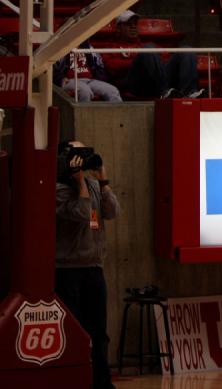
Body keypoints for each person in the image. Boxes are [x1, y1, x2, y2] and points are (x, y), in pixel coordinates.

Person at [55, 140, 120, 389]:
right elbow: (83, 213)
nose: (80, 159)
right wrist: (79, 181)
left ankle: (101, 383)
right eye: (75, 154)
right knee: (75, 332)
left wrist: (101, 177)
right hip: (67, 271)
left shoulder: (93, 185)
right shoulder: (58, 189)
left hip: (93, 269)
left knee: (99, 333)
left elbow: (112, 211)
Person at [102, 10, 204, 99]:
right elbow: (113, 67)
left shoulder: (145, 45)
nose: (133, 27)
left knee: (186, 51)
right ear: (119, 28)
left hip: (155, 78)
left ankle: (189, 92)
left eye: (135, 24)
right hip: (134, 84)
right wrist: (141, 59)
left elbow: (165, 59)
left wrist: (150, 61)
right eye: (129, 24)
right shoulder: (111, 48)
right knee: (148, 50)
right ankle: (164, 92)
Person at [52, 41, 122, 102]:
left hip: (90, 80)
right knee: (84, 91)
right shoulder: (60, 48)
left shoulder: (88, 47)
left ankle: (119, 116)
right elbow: (52, 69)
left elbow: (99, 66)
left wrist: (99, 78)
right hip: (71, 80)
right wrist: (61, 79)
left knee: (113, 91)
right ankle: (83, 117)